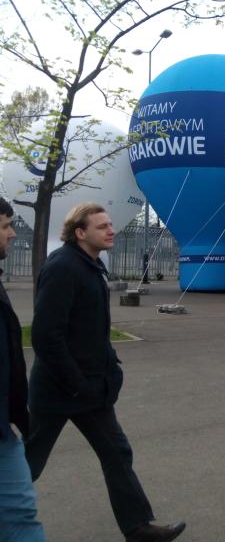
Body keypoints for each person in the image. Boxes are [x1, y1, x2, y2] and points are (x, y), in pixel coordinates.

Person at [25, 203, 185, 542]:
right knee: (28, 462)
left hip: (90, 390)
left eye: (110, 225)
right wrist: (76, 383)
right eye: (102, 227)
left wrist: (110, 367)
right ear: (80, 233)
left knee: (117, 452)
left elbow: (93, 328)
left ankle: (138, 528)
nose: (111, 230)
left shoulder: (91, 265)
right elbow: (46, 335)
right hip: (57, 390)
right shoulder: (63, 267)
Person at [0, 198, 46, 541]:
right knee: (19, 514)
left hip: (5, 425)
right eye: (5, 226)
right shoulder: (64, 269)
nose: (13, 233)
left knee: (20, 512)